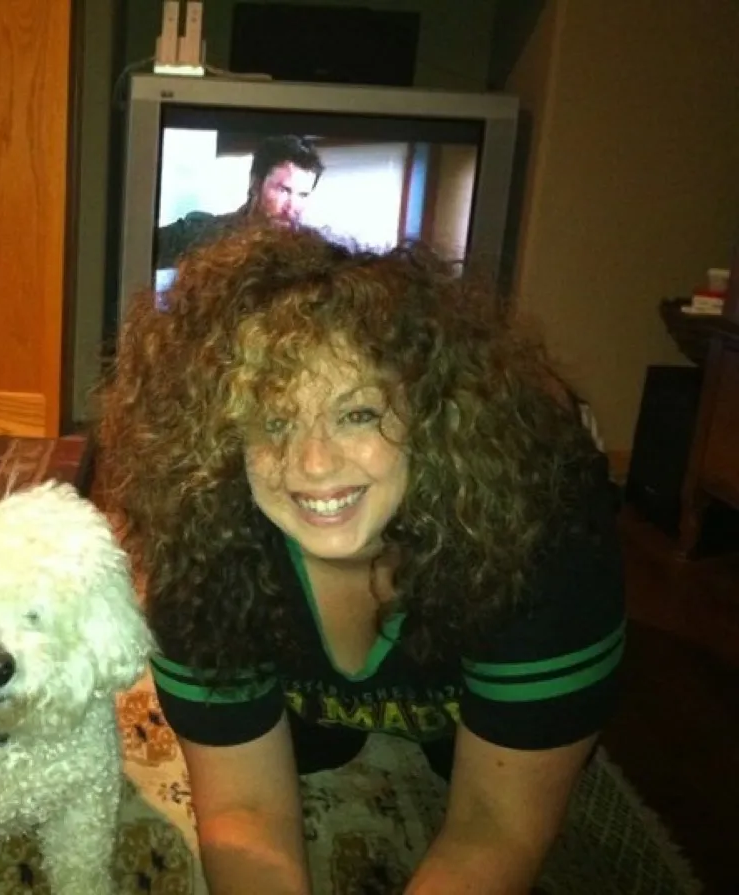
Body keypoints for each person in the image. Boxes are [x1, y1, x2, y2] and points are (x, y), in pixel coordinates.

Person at [96, 223, 626, 894]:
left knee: (463, 759)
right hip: (308, 675)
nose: (314, 464)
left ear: (428, 409)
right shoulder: (199, 545)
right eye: (274, 421)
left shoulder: (544, 544)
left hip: (492, 597)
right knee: (314, 748)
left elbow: (494, 827)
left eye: (357, 414)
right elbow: (245, 810)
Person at [155, 135, 325, 268]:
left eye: (303, 195)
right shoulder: (202, 235)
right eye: (284, 190)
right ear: (255, 183)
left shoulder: (312, 255)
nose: (292, 207)